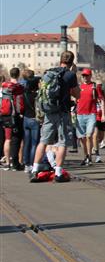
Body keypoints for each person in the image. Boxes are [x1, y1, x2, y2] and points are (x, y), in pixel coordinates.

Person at [29, 51, 80, 182]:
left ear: (60, 60)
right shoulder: (70, 75)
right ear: (72, 62)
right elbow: (77, 94)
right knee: (63, 142)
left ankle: (34, 170)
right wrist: (73, 75)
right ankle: (58, 173)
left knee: (43, 141)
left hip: (49, 111)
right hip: (63, 111)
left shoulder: (49, 73)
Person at [75, 68, 105, 166]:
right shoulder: (79, 86)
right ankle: (85, 156)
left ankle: (90, 157)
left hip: (91, 114)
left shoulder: (94, 86)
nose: (85, 77)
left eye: (87, 75)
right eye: (83, 76)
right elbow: (75, 98)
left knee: (89, 136)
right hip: (80, 114)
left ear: (90, 76)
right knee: (82, 137)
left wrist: (103, 114)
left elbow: (101, 99)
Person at [1, 67, 25, 171]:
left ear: (10, 74)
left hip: (6, 114)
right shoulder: (19, 87)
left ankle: (7, 162)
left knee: (7, 139)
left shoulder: (4, 86)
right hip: (15, 115)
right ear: (18, 75)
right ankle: (17, 161)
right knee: (17, 138)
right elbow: (20, 102)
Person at [21, 69, 40, 173]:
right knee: (34, 143)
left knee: (26, 142)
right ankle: (32, 164)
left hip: (25, 118)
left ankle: (26, 164)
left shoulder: (24, 94)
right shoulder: (37, 96)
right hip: (34, 119)